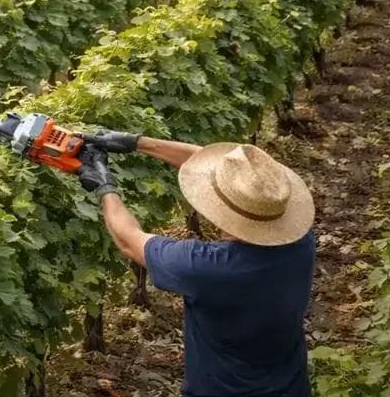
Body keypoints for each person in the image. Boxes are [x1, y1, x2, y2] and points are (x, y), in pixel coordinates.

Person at [74, 131, 317, 397]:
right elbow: (227, 171)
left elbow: (128, 240)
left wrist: (105, 187)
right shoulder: (300, 242)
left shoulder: (206, 267)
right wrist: (139, 144)